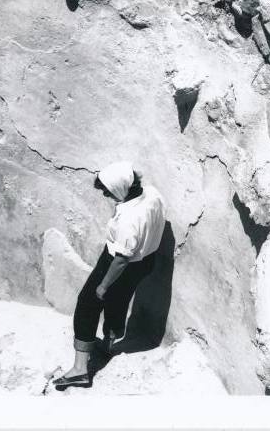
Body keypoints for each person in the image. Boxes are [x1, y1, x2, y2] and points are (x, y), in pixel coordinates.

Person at [52, 161, 166, 390]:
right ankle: (108, 344)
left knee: (87, 304)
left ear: (121, 187)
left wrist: (103, 285)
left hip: (119, 263)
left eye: (108, 191)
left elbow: (121, 259)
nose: (105, 195)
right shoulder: (152, 194)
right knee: (118, 302)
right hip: (145, 261)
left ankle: (80, 370)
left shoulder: (129, 219)